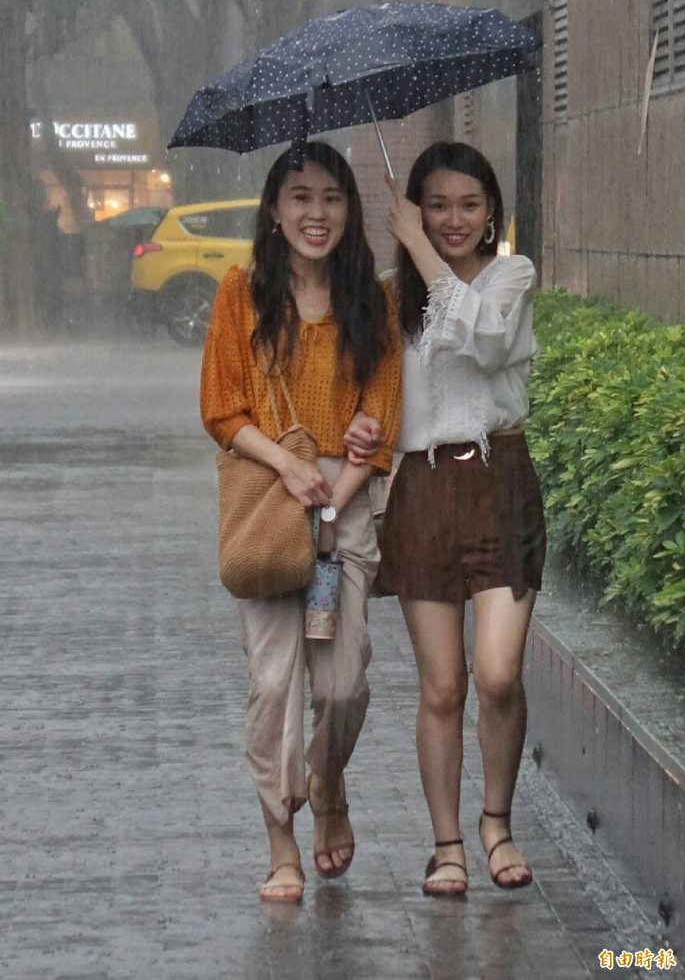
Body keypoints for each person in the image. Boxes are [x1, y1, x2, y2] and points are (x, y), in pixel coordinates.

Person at [200, 140, 401, 904]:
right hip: (267, 506)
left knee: (344, 684)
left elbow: (382, 412)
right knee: (274, 685)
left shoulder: (370, 301)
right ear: (275, 211)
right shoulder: (241, 293)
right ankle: (281, 844)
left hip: (343, 510)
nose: (316, 214)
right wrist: (289, 469)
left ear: (350, 210)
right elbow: (221, 407)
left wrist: (338, 491)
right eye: (301, 197)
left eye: (332, 197)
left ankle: (328, 782)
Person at [375, 140, 546, 896]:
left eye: (467, 204)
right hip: (422, 489)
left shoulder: (513, 275)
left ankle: (496, 823)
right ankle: (448, 845)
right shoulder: (388, 297)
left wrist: (417, 245)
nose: (451, 219)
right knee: (442, 686)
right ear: (419, 203)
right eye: (435, 205)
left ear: (491, 213)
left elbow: (484, 341)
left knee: (497, 674)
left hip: (500, 481)